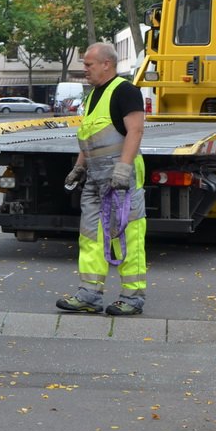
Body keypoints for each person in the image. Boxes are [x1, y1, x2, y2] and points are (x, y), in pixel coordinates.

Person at [56, 42, 147, 316]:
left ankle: (132, 298)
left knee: (127, 236)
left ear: (106, 64)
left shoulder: (126, 91)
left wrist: (123, 168)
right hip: (96, 178)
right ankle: (89, 294)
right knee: (91, 236)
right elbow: (89, 137)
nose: (84, 70)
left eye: (88, 65)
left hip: (121, 179)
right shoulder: (93, 95)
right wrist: (79, 167)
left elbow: (136, 131)